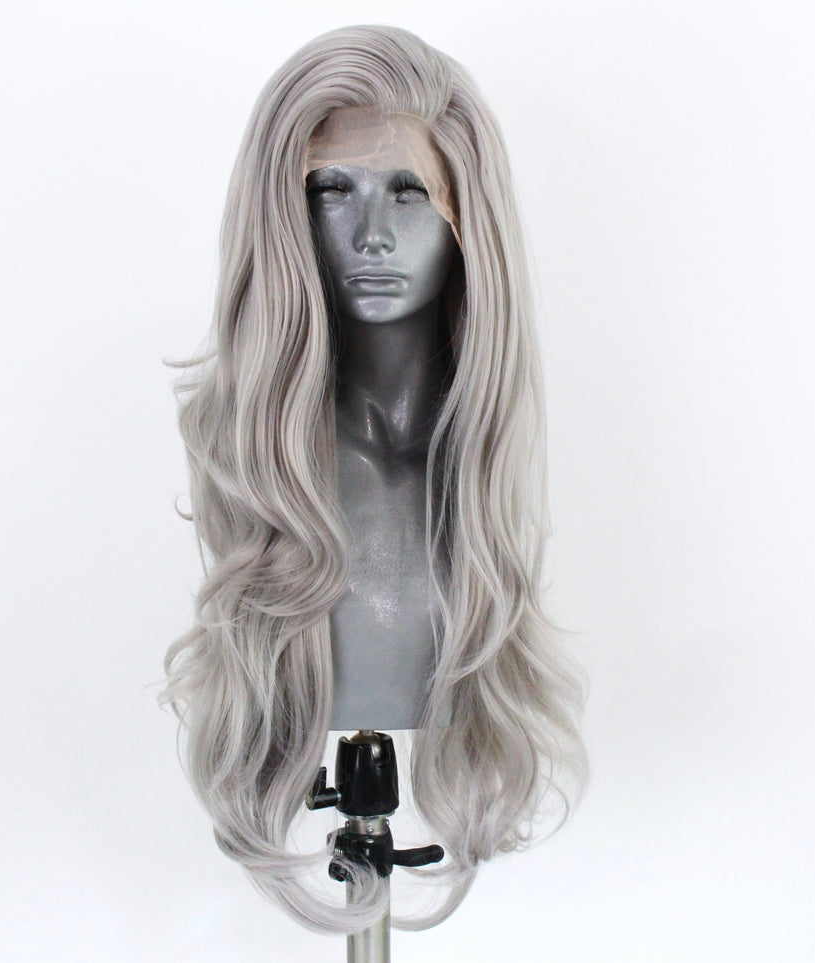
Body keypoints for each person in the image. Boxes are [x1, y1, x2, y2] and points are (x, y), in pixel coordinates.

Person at [164, 24, 586, 933]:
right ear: (285, 215)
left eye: (408, 191)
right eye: (332, 191)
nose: (371, 235)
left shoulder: (473, 471)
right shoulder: (262, 469)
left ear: (466, 217)